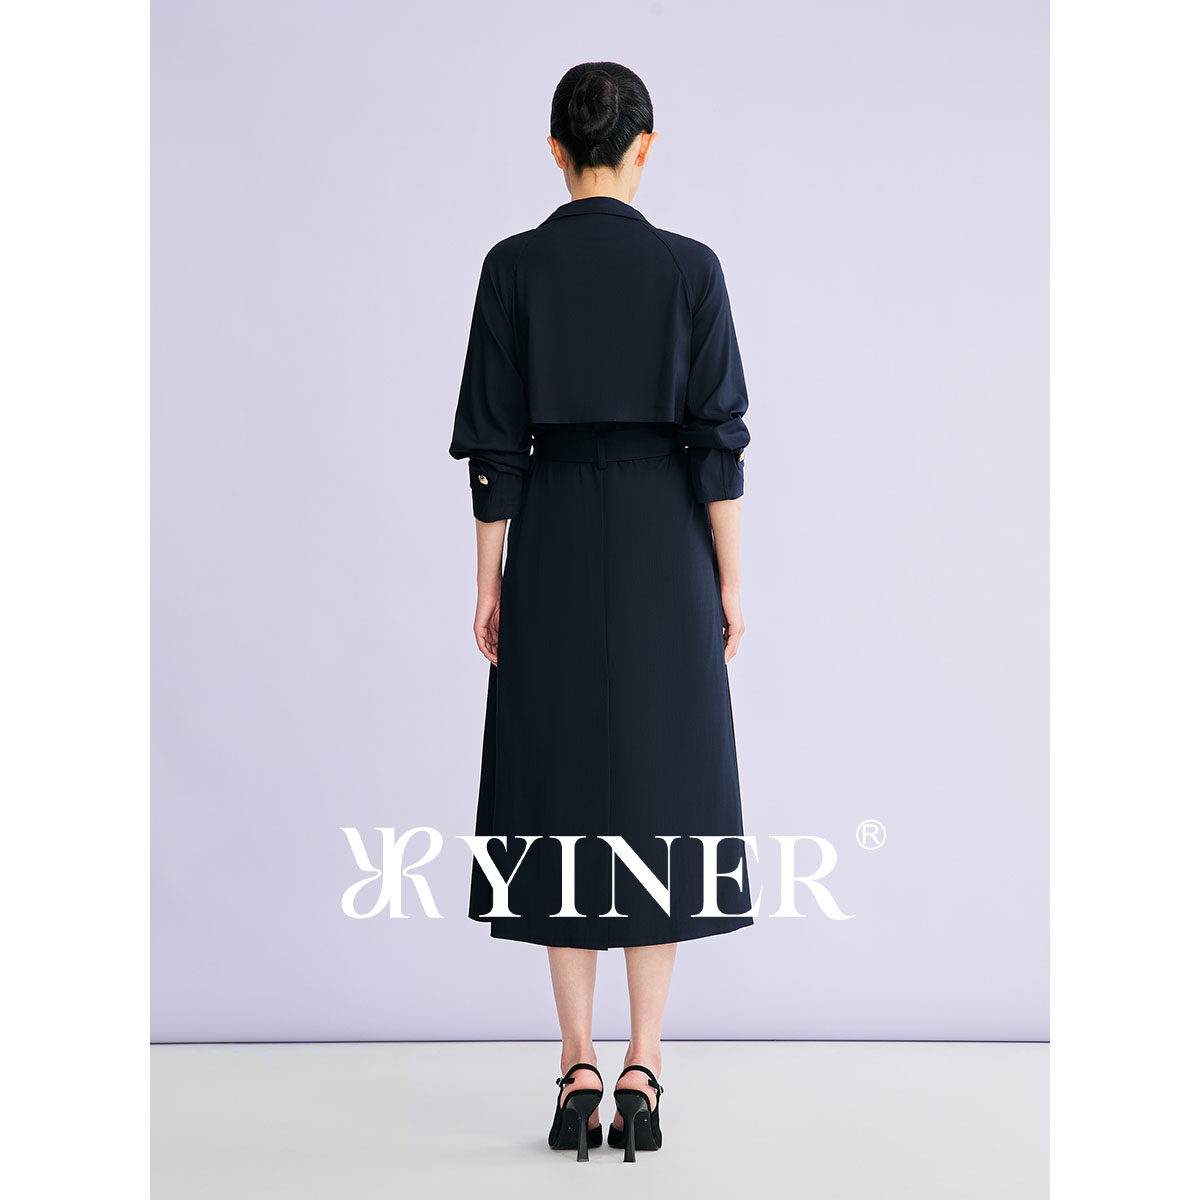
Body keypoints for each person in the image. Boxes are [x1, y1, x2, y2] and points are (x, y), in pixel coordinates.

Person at [448, 60, 753, 1163]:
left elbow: (495, 445)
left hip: (557, 544)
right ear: (644, 147)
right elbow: (717, 441)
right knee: (661, 793)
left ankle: (577, 1065)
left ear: (555, 151)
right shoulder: (690, 269)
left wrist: (490, 580)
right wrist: (727, 580)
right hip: (667, 544)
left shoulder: (512, 267)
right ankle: (644, 1064)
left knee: (560, 788)